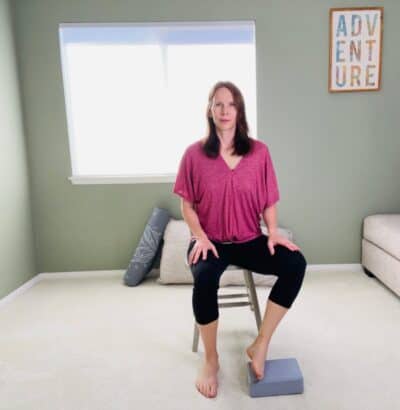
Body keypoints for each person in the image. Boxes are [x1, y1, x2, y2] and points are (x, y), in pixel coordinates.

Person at [172, 81, 307, 399]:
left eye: (231, 104)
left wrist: (273, 232)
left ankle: (261, 343)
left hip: (249, 238)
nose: (224, 110)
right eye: (217, 104)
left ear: (239, 110)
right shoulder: (193, 154)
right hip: (210, 241)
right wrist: (199, 236)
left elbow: (269, 200)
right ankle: (210, 359)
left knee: (295, 264)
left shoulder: (259, 153)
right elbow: (186, 205)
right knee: (204, 278)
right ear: (209, 109)